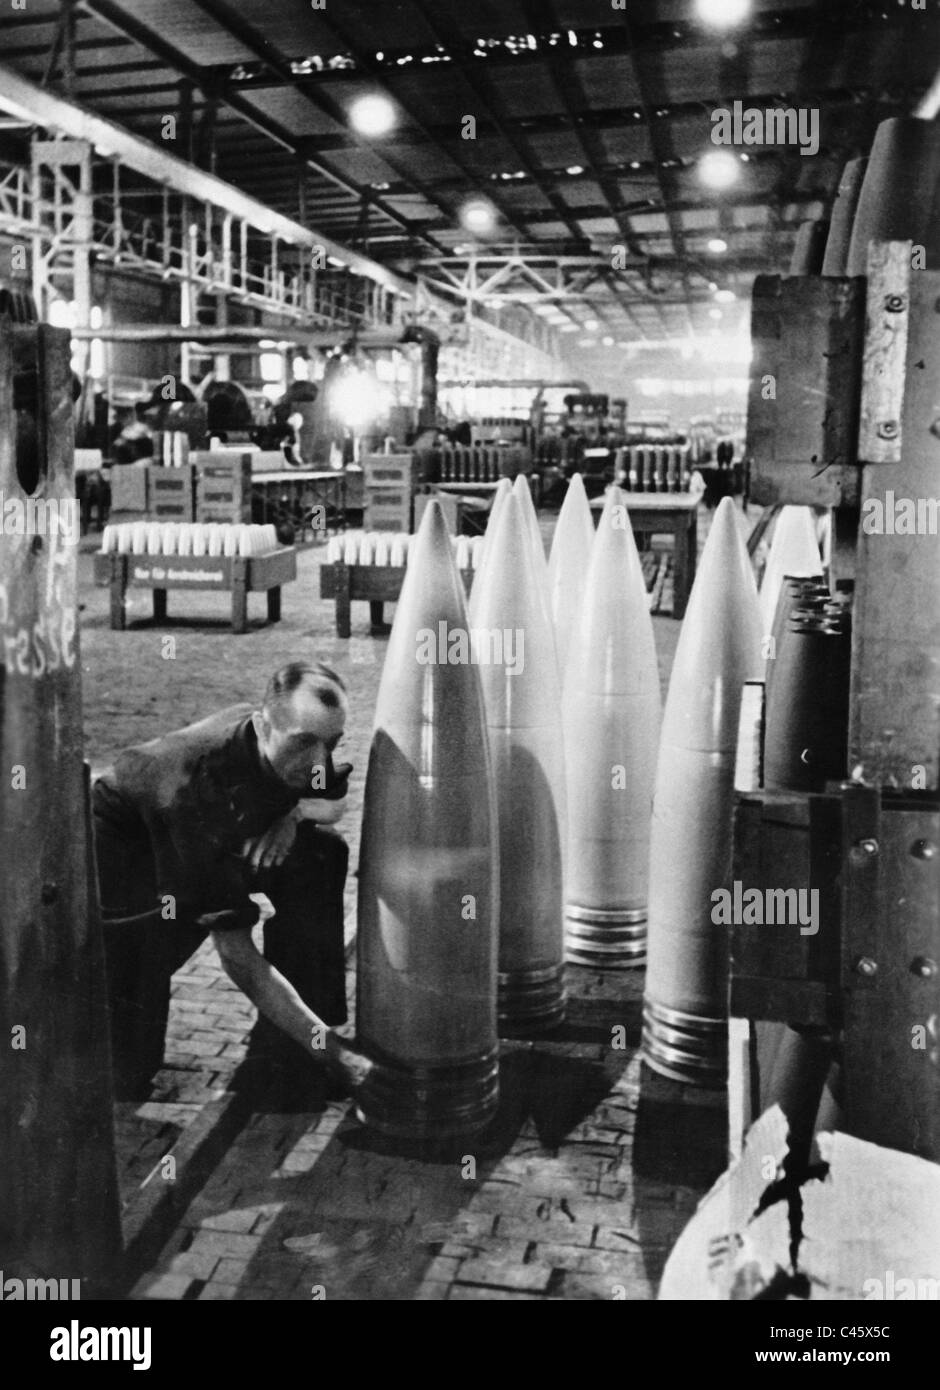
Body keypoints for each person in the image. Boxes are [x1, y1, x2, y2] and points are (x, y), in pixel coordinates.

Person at [92, 661, 372, 1100]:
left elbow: (332, 804)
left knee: (322, 852)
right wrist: (337, 1055)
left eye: (330, 743)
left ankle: (285, 1054)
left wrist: (292, 813)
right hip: (127, 855)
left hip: (212, 833)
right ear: (263, 726)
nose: (319, 762)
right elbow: (239, 958)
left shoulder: (297, 739)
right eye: (303, 744)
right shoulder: (191, 793)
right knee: (122, 1074)